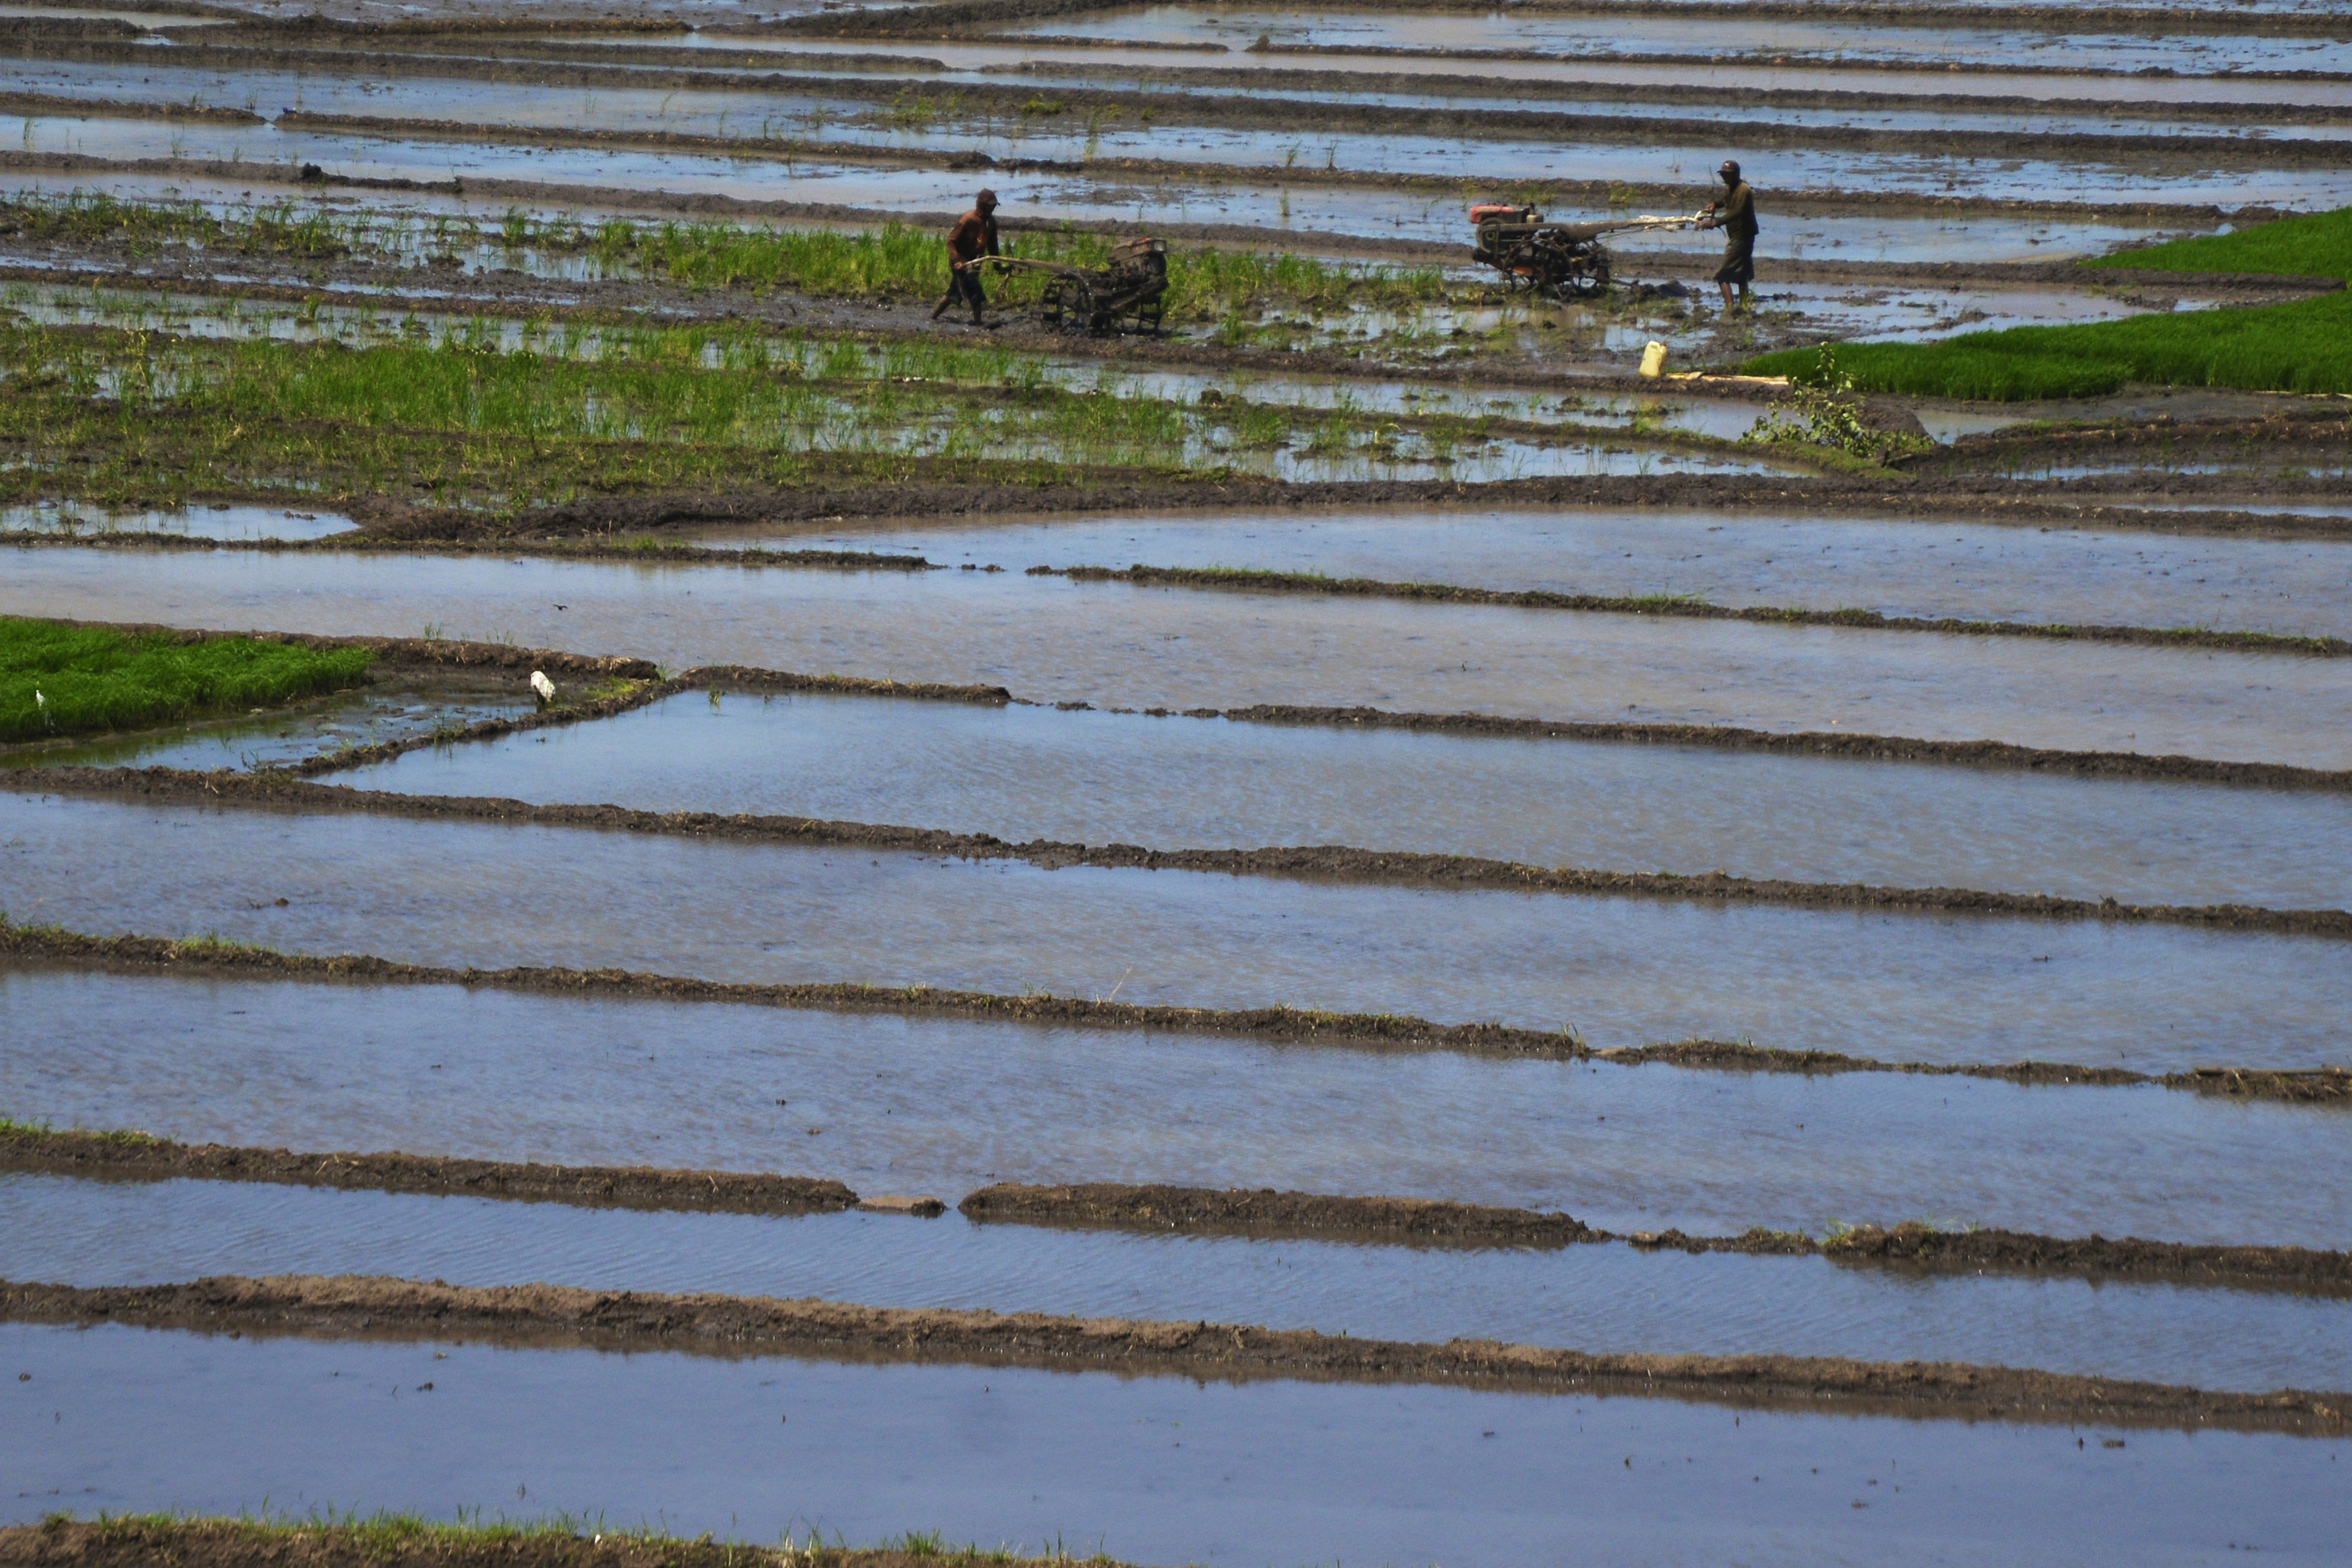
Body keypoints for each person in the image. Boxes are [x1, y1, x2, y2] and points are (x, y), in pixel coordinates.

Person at [930, 188, 1001, 325]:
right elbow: (951, 241)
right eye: (990, 206)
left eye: (993, 207)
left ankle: (933, 317)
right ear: (982, 206)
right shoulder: (967, 220)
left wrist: (998, 265)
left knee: (953, 293)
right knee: (975, 291)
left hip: (975, 264)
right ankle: (978, 321)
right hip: (962, 263)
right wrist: (956, 260)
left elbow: (993, 246)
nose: (992, 209)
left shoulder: (991, 222)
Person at [1696, 160, 1758, 312]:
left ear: (1736, 174)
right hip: (1742, 235)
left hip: (1742, 237)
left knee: (1722, 276)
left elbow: (1737, 211)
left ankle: (1730, 309)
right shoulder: (1734, 188)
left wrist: (1715, 223)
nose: (1725, 177)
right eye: (1723, 174)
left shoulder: (1744, 190)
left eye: (1727, 174)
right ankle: (1744, 306)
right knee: (1742, 275)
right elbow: (1727, 201)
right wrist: (1716, 204)